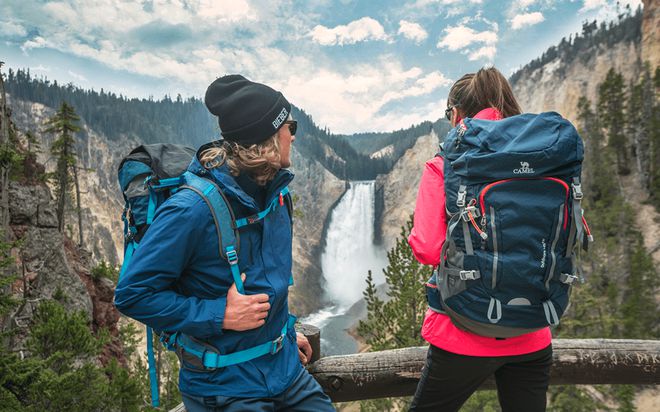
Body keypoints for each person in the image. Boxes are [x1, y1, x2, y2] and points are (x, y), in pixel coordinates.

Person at [114, 74, 335, 411]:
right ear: (270, 140)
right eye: (290, 126)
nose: (293, 134)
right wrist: (219, 315)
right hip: (226, 389)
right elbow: (132, 295)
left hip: (287, 373)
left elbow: (267, 282)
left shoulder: (276, 197)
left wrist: (285, 334)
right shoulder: (192, 210)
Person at [408, 67, 555, 412]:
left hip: (462, 330)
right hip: (532, 331)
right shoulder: (543, 163)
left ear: (457, 114)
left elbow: (427, 248)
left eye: (449, 115)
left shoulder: (445, 165)